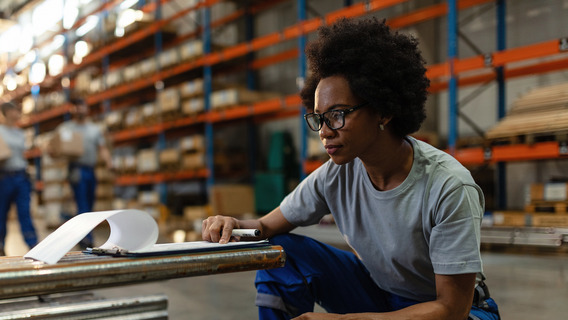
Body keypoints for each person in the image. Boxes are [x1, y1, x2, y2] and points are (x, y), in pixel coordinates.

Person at [202, 17, 500, 320]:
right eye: (319, 118)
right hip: (383, 295)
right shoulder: (335, 175)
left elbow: (451, 309)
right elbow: (266, 227)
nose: (325, 132)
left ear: (383, 110)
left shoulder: (448, 186)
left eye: (338, 115)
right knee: (282, 252)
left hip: (458, 312)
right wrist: (232, 223)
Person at [56, 98, 112, 248]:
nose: (80, 110)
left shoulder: (94, 129)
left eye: (82, 106)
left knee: (89, 203)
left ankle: (81, 234)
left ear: (87, 109)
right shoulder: (66, 128)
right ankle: (86, 238)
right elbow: (56, 147)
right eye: (76, 107)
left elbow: (102, 148)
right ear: (72, 109)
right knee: (83, 204)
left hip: (90, 170)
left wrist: (108, 162)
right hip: (76, 169)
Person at [0, 102, 38, 256]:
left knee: (24, 211)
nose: (18, 113)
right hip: (4, 177)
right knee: (1, 213)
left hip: (21, 176)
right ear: (7, 112)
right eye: (16, 110)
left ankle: (33, 244)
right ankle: (0, 245)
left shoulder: (19, 133)